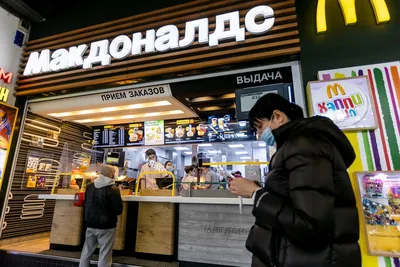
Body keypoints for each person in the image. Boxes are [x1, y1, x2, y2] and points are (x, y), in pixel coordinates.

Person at [230, 93, 361, 267]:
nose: (259, 134)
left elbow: (310, 226)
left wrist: (256, 194)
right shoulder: (297, 146)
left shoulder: (305, 146)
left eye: (260, 127)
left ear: (278, 116)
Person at [79, 165, 123, 267]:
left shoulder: (90, 186)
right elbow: (118, 210)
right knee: (105, 253)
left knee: (87, 251)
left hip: (90, 224)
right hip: (106, 226)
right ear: (111, 174)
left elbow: (86, 204)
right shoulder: (113, 189)